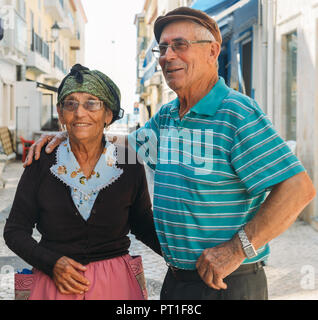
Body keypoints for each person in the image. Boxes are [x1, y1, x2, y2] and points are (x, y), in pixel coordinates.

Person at [24, 7, 316, 300]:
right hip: (178, 280)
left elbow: (297, 189)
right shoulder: (168, 116)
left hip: (226, 283)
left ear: (213, 51)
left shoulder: (236, 113)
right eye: (162, 48)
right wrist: (75, 131)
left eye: (180, 45)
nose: (167, 56)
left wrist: (237, 249)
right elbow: (120, 151)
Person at [4, 64, 161, 300]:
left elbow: (143, 224)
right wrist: (51, 262)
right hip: (54, 286)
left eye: (91, 103)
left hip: (116, 287)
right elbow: (15, 230)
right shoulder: (41, 162)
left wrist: (187, 259)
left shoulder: (128, 162)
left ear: (108, 114)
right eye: (71, 104)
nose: (79, 113)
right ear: (61, 113)